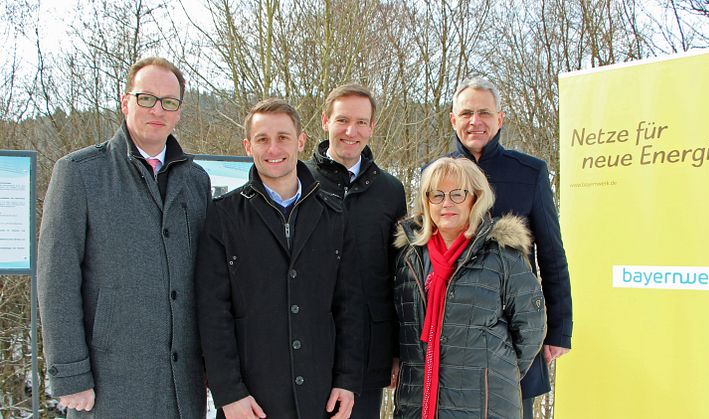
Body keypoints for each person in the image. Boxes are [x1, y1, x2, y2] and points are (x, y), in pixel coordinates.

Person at [37, 57, 211, 417]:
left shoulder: (196, 181)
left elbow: (204, 279)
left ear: (179, 112)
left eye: (169, 102)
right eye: (146, 98)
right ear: (125, 102)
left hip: (182, 385)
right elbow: (57, 279)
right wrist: (70, 374)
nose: (157, 109)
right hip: (108, 384)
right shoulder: (79, 174)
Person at [194, 98, 364, 419]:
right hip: (252, 401)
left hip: (320, 396)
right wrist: (229, 393)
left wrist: (348, 380)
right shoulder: (223, 217)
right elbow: (212, 312)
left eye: (283, 137)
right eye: (262, 139)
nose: (274, 148)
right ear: (248, 146)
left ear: (300, 141)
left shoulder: (334, 216)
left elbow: (351, 307)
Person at [446, 76, 573, 418]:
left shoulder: (529, 172)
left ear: (499, 119)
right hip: (453, 336)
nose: (476, 121)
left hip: (514, 332)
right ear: (453, 119)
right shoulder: (436, 175)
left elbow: (552, 255)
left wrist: (559, 329)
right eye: (467, 113)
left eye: (485, 113)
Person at [392, 157, 546, 418]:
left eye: (457, 194)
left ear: (476, 198)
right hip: (417, 401)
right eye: (437, 195)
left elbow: (531, 327)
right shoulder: (410, 256)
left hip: (485, 403)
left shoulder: (502, 254)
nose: (446, 203)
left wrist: (496, 368)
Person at [306, 83, 407, 418]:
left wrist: (395, 349)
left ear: (372, 127)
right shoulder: (298, 180)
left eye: (362, 122)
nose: (352, 131)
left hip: (368, 348)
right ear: (325, 121)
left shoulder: (391, 191)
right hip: (306, 343)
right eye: (342, 120)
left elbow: (398, 274)